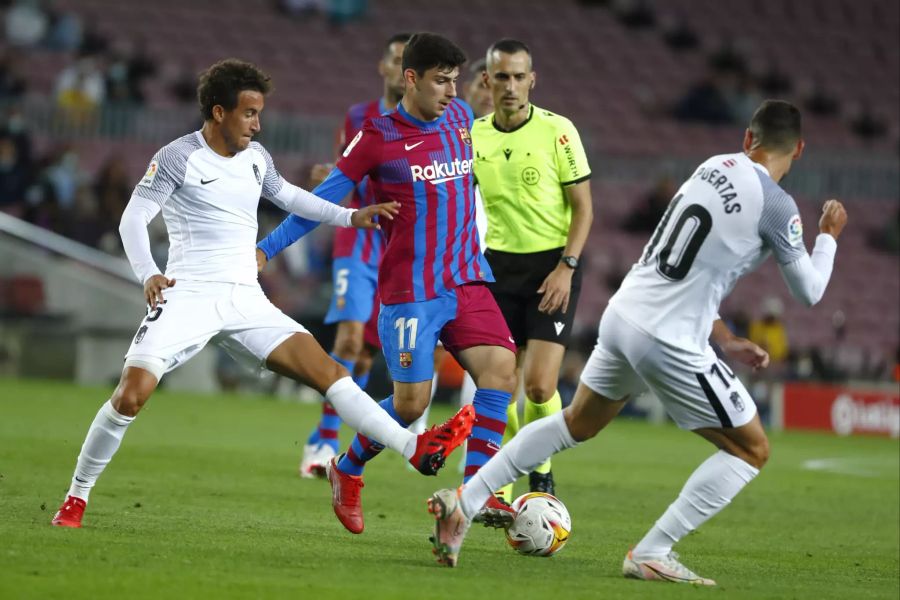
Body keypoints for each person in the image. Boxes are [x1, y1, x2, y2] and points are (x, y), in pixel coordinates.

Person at [428, 100, 848, 582]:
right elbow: (810, 292)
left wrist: (725, 337)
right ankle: (652, 550)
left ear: (748, 139)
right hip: (669, 340)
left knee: (576, 423)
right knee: (751, 450)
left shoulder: (712, 167)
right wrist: (828, 236)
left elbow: (692, 266)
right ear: (798, 150)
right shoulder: (777, 205)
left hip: (625, 315)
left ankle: (466, 500)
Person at [49, 58, 475, 529]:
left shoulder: (256, 158)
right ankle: (76, 497)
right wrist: (148, 272)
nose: (258, 122)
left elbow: (291, 197)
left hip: (245, 298)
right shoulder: (177, 157)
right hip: (187, 295)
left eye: (259, 112)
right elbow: (133, 219)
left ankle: (411, 447)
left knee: (330, 372)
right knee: (131, 397)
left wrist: (350, 216)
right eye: (249, 112)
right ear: (218, 112)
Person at [257, 33, 518, 535]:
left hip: (465, 278)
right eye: (441, 81)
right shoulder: (377, 138)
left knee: (501, 371)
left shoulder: (463, 118)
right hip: (411, 291)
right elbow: (321, 202)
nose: (450, 92)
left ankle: (477, 493)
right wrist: (266, 250)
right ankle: (347, 467)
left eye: (455, 81)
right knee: (410, 405)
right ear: (411, 78)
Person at [471, 39, 593, 499]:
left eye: (519, 76)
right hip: (497, 267)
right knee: (500, 384)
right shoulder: (474, 136)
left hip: (553, 265)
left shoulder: (558, 131)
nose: (510, 86)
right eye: (501, 76)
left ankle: (540, 469)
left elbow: (583, 209)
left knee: (540, 387)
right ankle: (502, 482)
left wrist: (566, 267)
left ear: (532, 80)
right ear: (487, 81)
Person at [299, 32, 412, 479]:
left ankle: (334, 436)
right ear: (384, 68)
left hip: (396, 244)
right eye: (397, 60)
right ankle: (323, 444)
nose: (404, 70)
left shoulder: (426, 123)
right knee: (347, 340)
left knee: (364, 356)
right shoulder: (358, 116)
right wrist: (331, 178)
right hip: (358, 237)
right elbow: (349, 172)